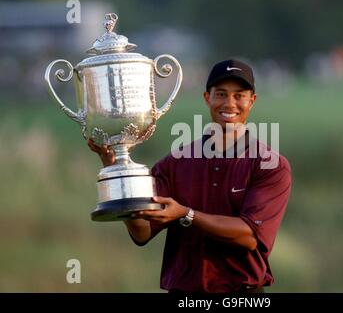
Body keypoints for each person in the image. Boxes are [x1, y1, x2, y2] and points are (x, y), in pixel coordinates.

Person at [88, 59, 292, 293]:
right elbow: (142, 231)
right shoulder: (174, 163)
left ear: (252, 101)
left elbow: (249, 236)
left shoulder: (270, 165)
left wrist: (187, 215)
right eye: (221, 94)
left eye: (239, 95)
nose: (230, 103)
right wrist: (118, 175)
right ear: (207, 98)